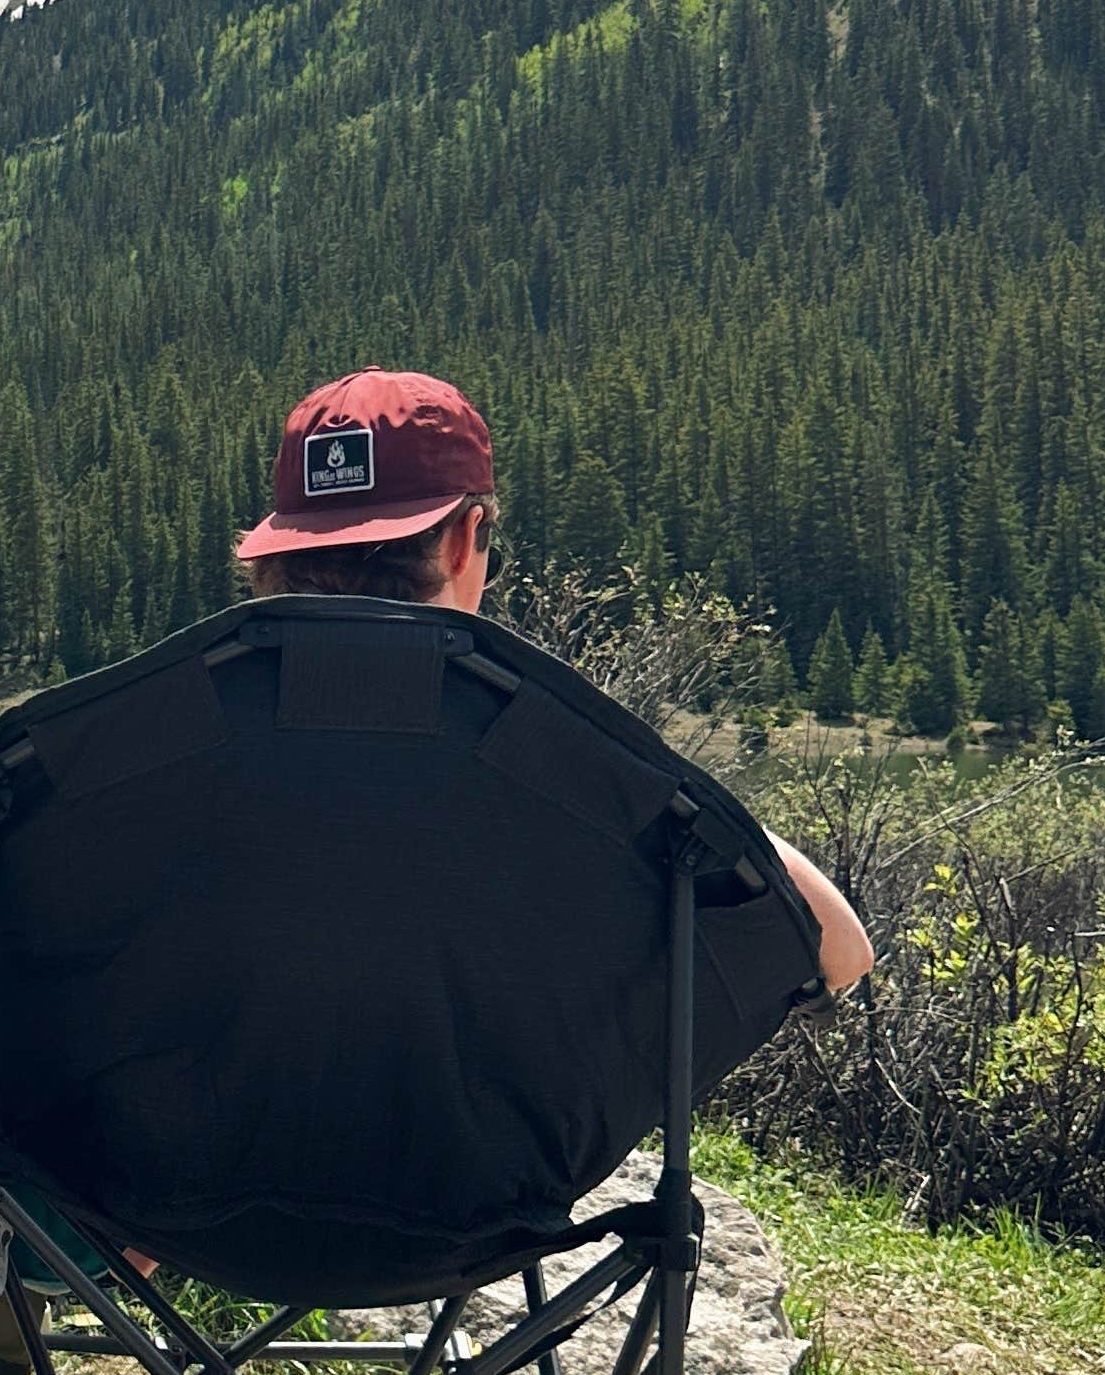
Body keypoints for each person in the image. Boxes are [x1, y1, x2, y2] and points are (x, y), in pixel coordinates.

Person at [235, 366, 873, 995]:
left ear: (279, 555)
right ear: (465, 541)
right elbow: (837, 949)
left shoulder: (169, 745)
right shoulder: (564, 771)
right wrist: (649, 778)